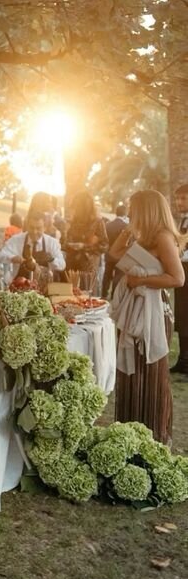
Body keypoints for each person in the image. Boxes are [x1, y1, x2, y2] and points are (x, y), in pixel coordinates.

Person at [110, 190, 184, 443]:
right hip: (136, 309)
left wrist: (139, 280)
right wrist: (128, 231)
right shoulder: (143, 237)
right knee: (133, 372)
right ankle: (131, 429)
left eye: (134, 209)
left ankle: (152, 433)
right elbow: (114, 254)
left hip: (153, 311)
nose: (130, 213)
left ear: (147, 210)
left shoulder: (163, 237)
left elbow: (177, 278)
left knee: (149, 373)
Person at [0, 210, 66, 279]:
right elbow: (0, 256)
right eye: (31, 228)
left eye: (38, 228)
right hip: (21, 286)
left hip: (45, 286)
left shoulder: (52, 243)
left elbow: (62, 265)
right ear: (27, 226)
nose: (34, 232)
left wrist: (51, 259)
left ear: (44, 228)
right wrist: (12, 257)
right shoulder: (16, 240)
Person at [63, 191, 109, 283]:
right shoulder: (73, 222)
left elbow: (104, 246)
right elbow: (65, 243)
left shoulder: (97, 223)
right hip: (71, 266)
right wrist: (68, 244)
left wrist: (84, 246)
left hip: (87, 268)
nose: (74, 210)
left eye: (77, 207)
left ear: (85, 208)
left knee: (85, 294)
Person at [171, 185, 188, 374]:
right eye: (178, 199)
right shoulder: (182, 220)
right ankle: (184, 359)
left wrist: (174, 257)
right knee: (183, 317)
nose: (179, 202)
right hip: (182, 275)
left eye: (184, 198)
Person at [102, 204, 129, 297]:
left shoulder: (108, 225)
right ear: (125, 213)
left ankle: (104, 294)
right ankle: (114, 295)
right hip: (120, 255)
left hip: (108, 254)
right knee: (118, 276)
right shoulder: (126, 226)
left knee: (107, 275)